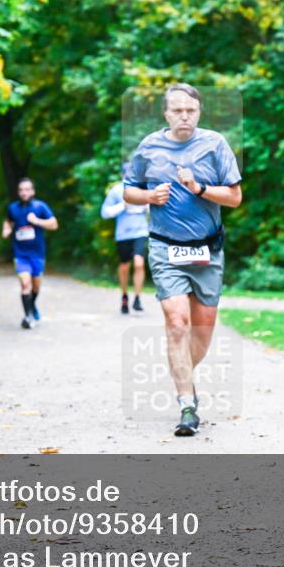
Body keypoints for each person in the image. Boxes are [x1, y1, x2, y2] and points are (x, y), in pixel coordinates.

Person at [124, 83, 242, 436]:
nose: (184, 116)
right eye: (177, 110)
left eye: (190, 110)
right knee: (177, 322)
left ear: (199, 112)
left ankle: (183, 375)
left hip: (207, 249)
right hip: (165, 247)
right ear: (166, 113)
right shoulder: (149, 146)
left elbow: (235, 197)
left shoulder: (215, 144)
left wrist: (199, 189)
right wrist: (149, 197)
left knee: (201, 333)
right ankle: (187, 404)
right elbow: (129, 191)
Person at [2, 178, 58, 329]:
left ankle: (32, 305)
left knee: (36, 287)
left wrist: (37, 221)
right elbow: (8, 221)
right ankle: (28, 317)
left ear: (33, 191)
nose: (24, 193)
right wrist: (6, 229)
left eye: (27, 189)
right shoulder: (13, 208)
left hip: (37, 253)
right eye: (21, 190)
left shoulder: (40, 206)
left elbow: (54, 224)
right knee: (25, 284)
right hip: (20, 254)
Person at [101, 166, 149, 314]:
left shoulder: (143, 188)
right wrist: (123, 205)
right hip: (123, 234)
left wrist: (146, 206)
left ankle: (137, 298)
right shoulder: (116, 190)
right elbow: (105, 212)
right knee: (124, 267)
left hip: (141, 231)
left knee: (139, 263)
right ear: (122, 175)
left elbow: (152, 206)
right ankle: (124, 296)